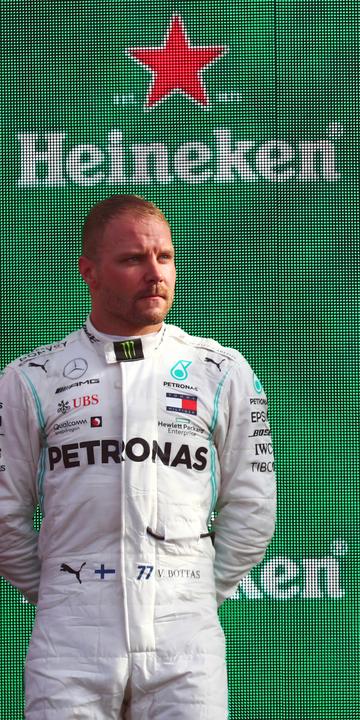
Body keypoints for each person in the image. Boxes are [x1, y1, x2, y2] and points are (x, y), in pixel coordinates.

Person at [0, 195, 276, 719]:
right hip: (70, 643)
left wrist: (188, 589)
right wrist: (66, 593)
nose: (155, 273)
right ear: (90, 271)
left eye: (165, 257)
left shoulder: (221, 371)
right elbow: (4, 518)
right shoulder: (30, 379)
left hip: (185, 642)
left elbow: (253, 510)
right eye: (133, 259)